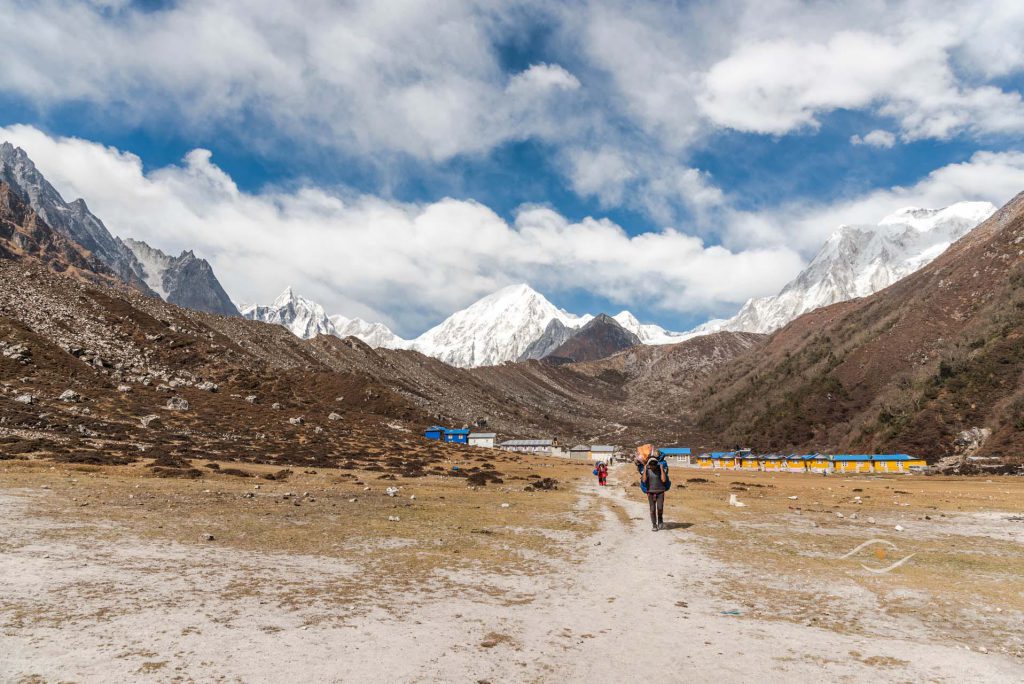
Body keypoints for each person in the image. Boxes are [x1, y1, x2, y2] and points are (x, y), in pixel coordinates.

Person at [635, 444, 670, 531]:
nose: (653, 465)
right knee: (652, 509)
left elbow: (664, 480)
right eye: (651, 463)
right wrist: (646, 468)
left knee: (660, 508)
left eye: (655, 463)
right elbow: (643, 480)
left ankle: (660, 520)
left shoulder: (660, 469)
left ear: (657, 463)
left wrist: (661, 469)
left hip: (660, 491)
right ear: (649, 464)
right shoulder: (647, 470)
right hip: (650, 492)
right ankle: (654, 525)